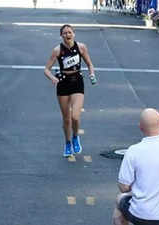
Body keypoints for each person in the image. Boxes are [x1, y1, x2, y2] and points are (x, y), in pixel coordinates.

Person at [112, 108, 159, 225]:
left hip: (140, 215)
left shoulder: (133, 151)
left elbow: (123, 187)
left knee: (120, 199)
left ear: (140, 127)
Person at [44, 24, 96, 157]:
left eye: (70, 32)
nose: (68, 35)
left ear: (74, 34)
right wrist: (52, 78)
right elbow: (46, 69)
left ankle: (75, 137)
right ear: (61, 35)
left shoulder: (81, 47)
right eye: (65, 33)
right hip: (63, 83)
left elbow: (90, 64)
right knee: (66, 118)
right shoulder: (57, 50)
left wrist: (92, 74)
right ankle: (67, 143)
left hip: (77, 81)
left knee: (75, 116)